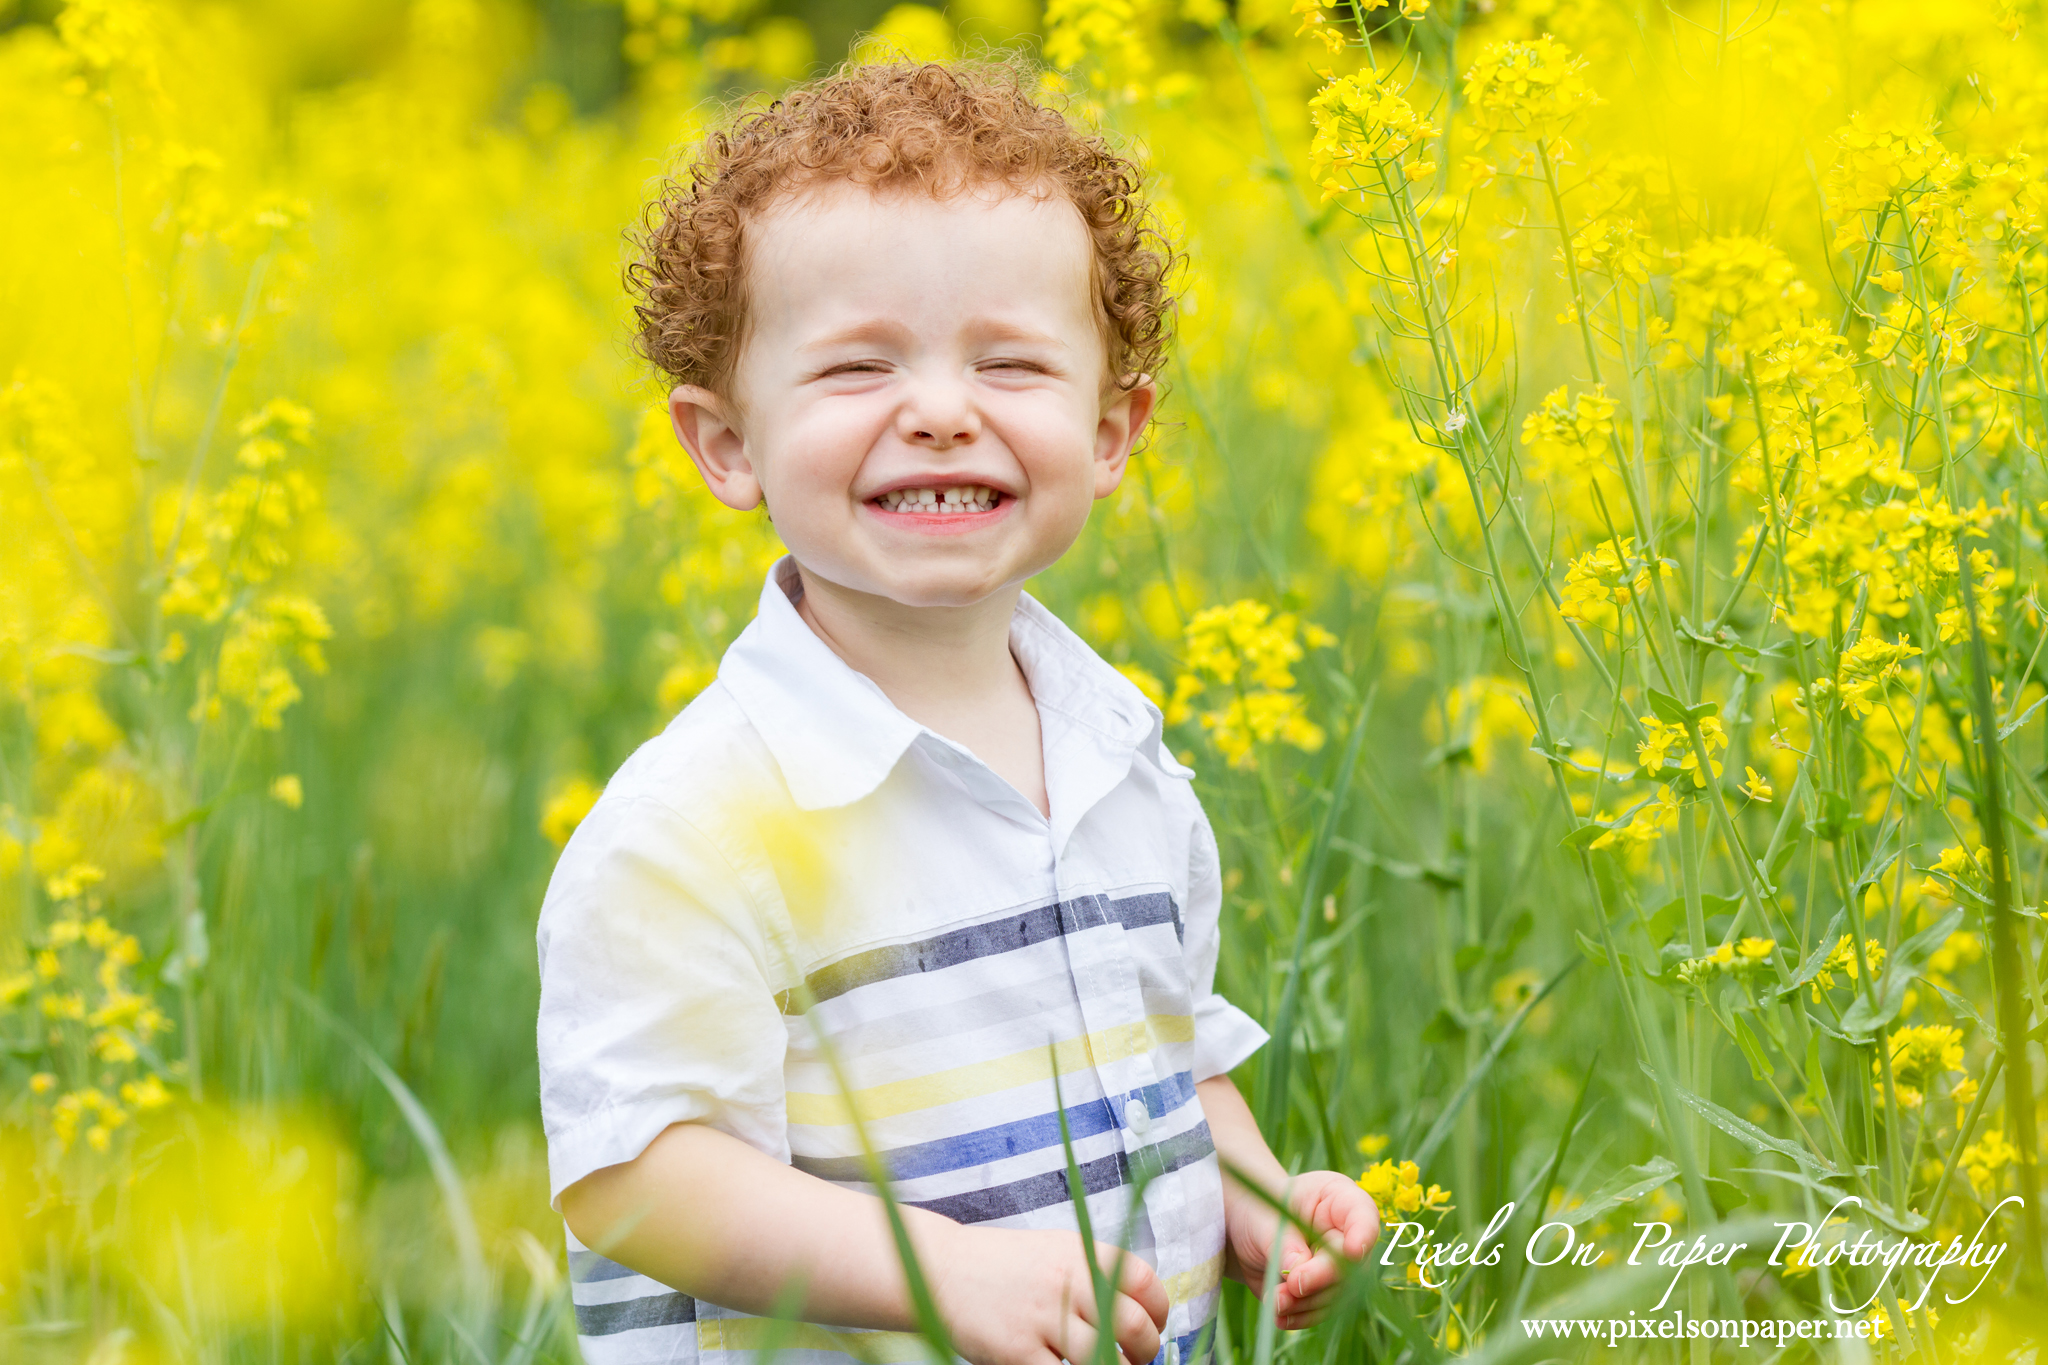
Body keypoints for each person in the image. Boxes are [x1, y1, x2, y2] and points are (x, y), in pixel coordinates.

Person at [535, 57, 1380, 1365]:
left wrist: (1256, 1197)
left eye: (1011, 361)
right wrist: (947, 1279)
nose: (940, 410)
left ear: (1113, 430)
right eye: (859, 366)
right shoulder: (697, 823)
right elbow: (634, 1173)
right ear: (726, 444)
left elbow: (1160, 1048)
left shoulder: (1123, 758)